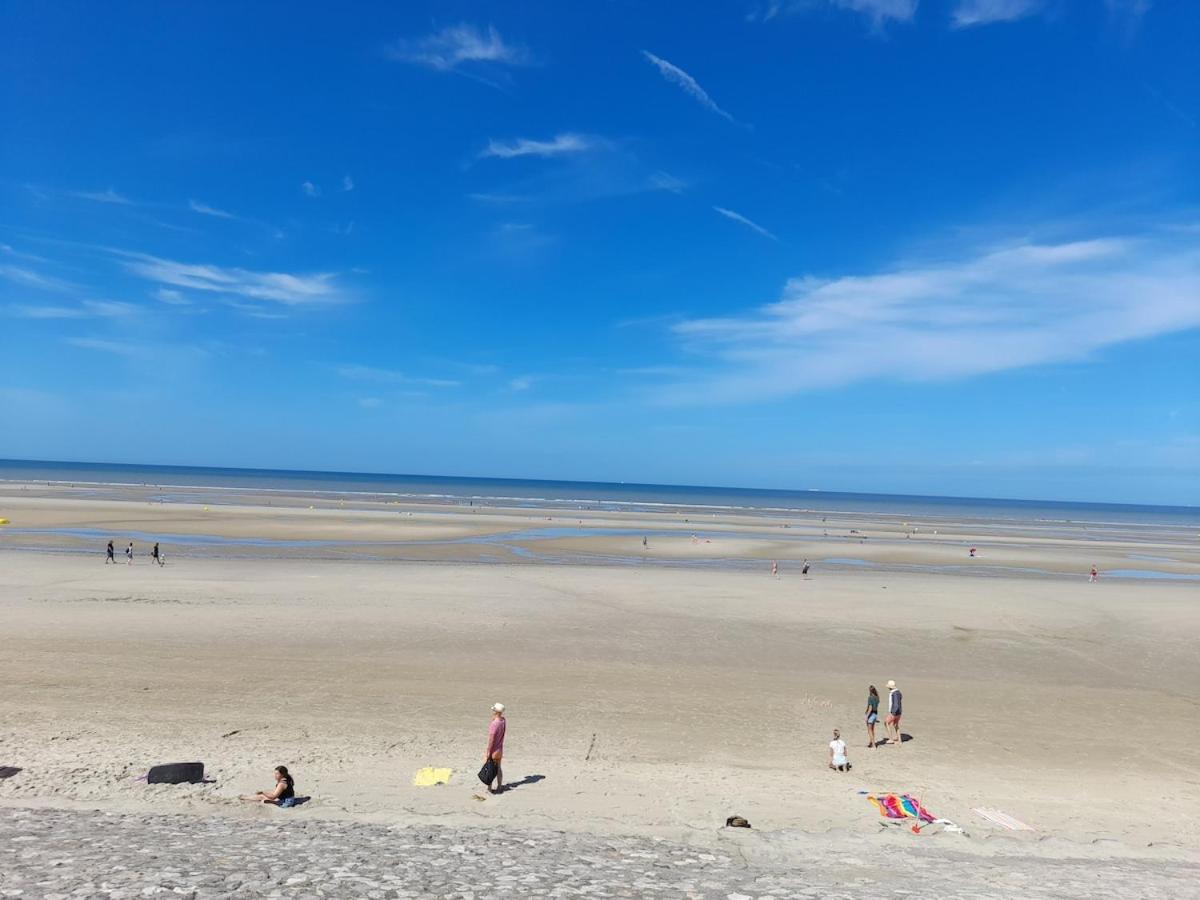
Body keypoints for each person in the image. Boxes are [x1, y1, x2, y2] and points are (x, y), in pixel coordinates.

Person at [484, 702, 506, 794]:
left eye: (494, 710)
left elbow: (491, 739)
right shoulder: (503, 720)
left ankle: (489, 789)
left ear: (496, 712)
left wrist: (488, 751)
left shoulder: (494, 724)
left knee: (490, 769)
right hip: (500, 749)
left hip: (494, 750)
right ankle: (499, 786)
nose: (492, 712)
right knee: (498, 768)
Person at [885, 680, 903, 746]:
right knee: (895, 725)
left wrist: (892, 713)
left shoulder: (894, 693)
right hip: (899, 712)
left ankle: (891, 739)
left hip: (894, 712)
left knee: (886, 722)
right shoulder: (898, 692)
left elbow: (896, 704)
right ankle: (899, 740)